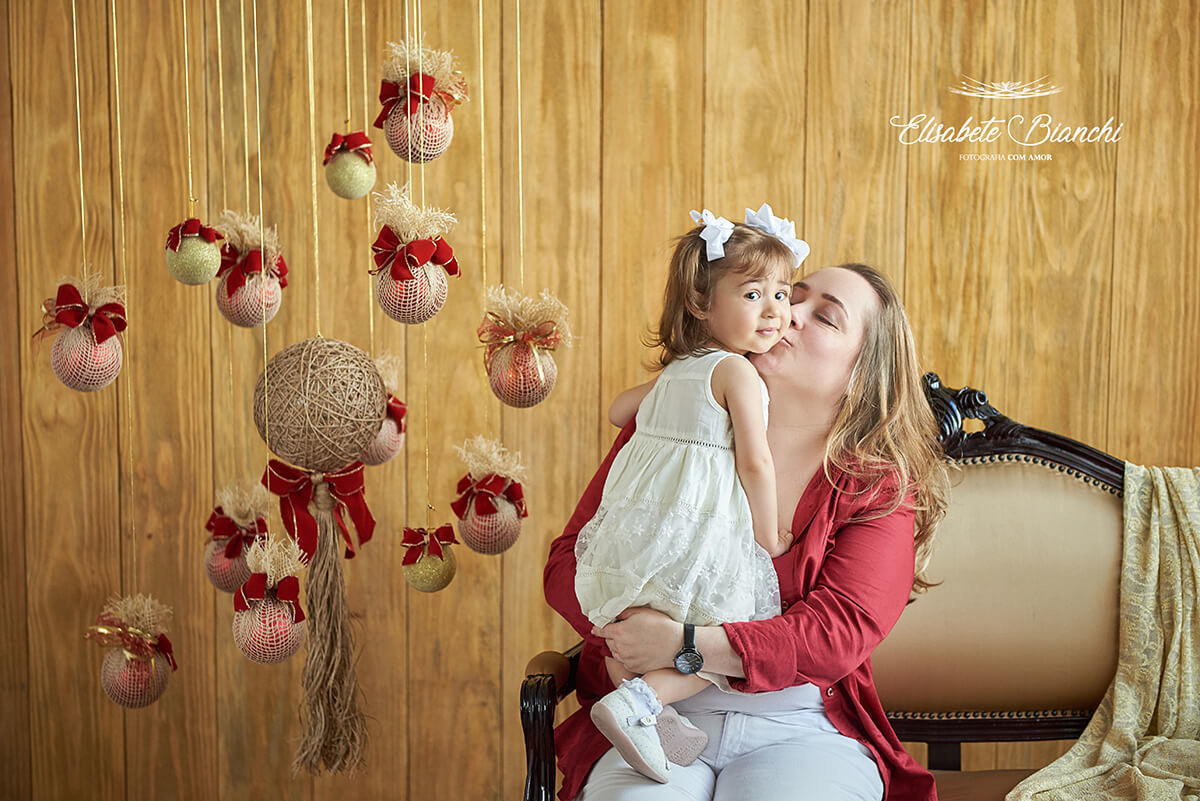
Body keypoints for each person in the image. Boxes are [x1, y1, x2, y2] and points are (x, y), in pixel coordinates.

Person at [544, 261, 950, 801]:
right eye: (789, 295)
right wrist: (631, 624)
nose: (788, 314)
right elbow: (570, 560)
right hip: (645, 713)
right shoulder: (671, 422)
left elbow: (842, 629)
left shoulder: (875, 485)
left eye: (825, 317)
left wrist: (688, 644)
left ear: (863, 374)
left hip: (798, 726)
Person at [574, 206, 809, 783]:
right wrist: (769, 532)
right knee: (723, 633)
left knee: (646, 624)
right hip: (698, 534)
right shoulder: (738, 374)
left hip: (643, 532)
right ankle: (642, 703)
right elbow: (754, 460)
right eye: (753, 294)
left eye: (782, 293)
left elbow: (617, 410)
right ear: (701, 305)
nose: (776, 310)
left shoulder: (680, 372)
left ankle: (651, 716)